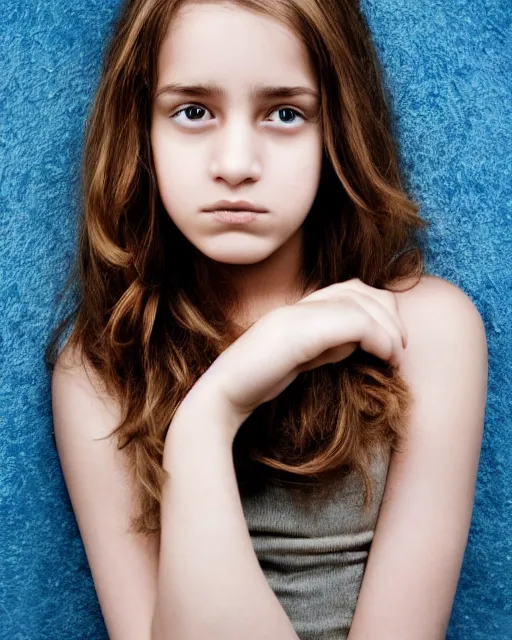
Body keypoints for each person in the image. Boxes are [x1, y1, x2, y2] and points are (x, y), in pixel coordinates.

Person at [45, 0, 488, 638]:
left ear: (335, 126)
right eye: (193, 111)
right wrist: (211, 416)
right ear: (141, 128)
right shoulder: (99, 369)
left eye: (284, 113)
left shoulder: (423, 330)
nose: (236, 163)